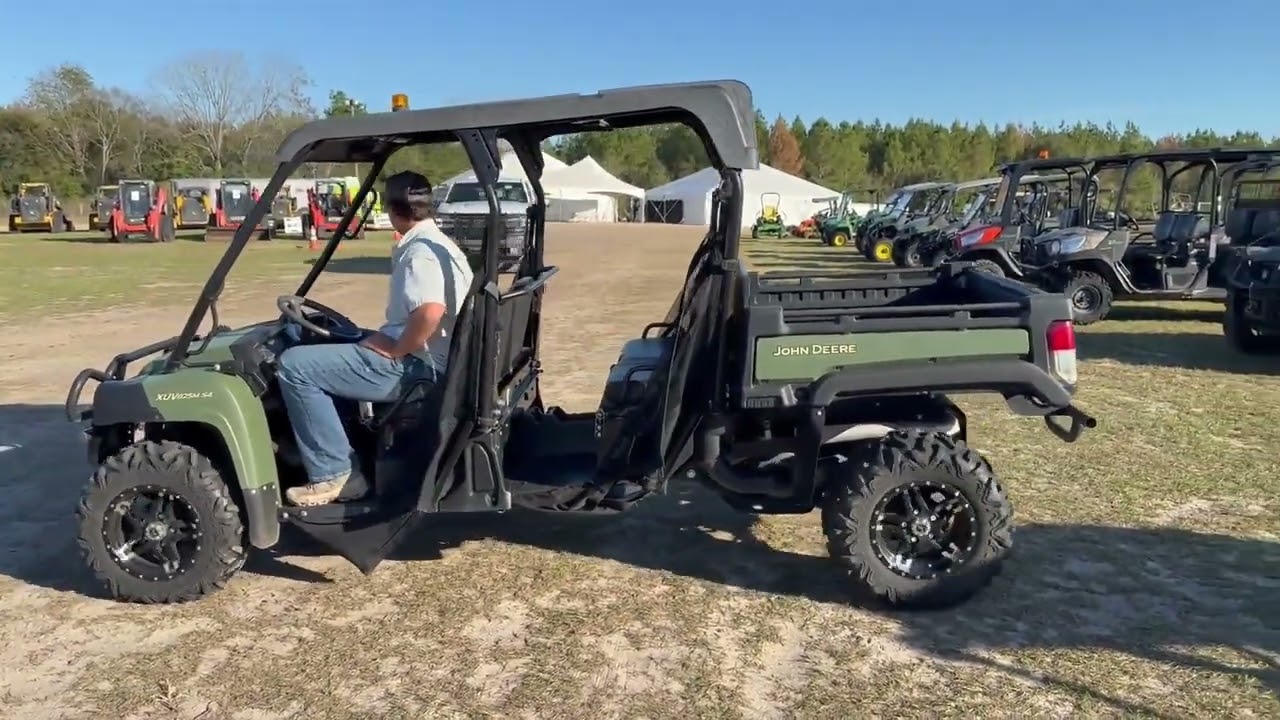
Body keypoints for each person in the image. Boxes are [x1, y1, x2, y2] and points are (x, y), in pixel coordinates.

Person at [276, 171, 475, 506]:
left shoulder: (421, 253)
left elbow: (429, 312)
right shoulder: (442, 244)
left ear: (394, 209)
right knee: (330, 346)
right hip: (431, 356)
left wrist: (397, 348)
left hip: (417, 366)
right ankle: (341, 444)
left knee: (294, 366)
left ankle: (333, 473)